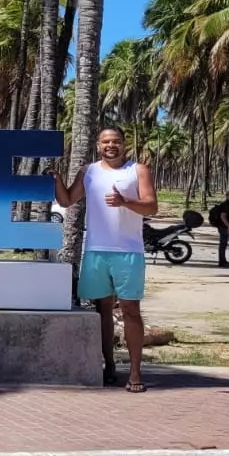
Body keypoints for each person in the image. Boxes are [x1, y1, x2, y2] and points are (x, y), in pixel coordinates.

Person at [55, 127, 157, 393]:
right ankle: (109, 366)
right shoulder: (88, 172)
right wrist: (57, 179)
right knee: (102, 310)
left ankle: (135, 373)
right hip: (95, 250)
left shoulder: (138, 170)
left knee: (130, 310)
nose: (111, 145)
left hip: (128, 251)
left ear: (124, 144)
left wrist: (125, 202)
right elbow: (66, 200)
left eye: (116, 141)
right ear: (98, 145)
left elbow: (152, 206)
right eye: (106, 142)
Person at [209, 191, 229, 268]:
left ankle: (223, 261)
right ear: (228, 196)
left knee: (223, 244)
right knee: (223, 245)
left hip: (224, 226)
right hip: (223, 227)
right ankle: (222, 262)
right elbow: (223, 217)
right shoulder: (226, 205)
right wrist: (228, 226)